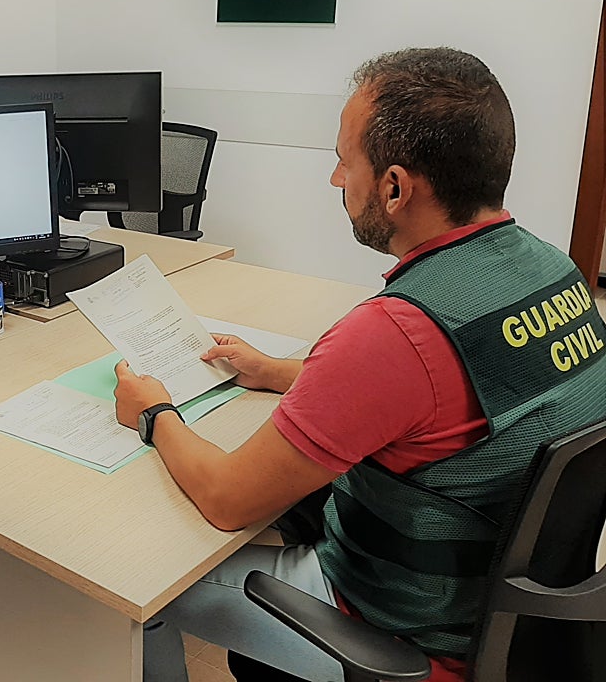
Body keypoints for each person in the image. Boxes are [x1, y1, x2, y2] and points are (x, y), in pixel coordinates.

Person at [115, 47, 606, 682]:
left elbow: (227, 498)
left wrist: (154, 413)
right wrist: (278, 372)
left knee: (141, 587)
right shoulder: (551, 271)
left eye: (345, 162)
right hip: (508, 617)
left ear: (395, 187)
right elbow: (462, 391)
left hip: (407, 637)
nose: (335, 179)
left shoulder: (395, 333)